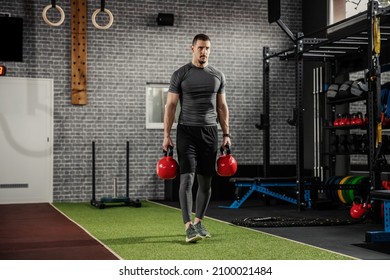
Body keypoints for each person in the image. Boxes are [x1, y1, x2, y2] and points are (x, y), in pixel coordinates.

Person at [162, 34, 231, 243]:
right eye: (200, 48)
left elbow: (221, 107)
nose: (204, 52)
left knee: (206, 182)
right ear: (191, 48)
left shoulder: (217, 75)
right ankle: (188, 226)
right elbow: (171, 106)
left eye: (208, 48)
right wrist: (166, 135)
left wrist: (226, 134)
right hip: (187, 132)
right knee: (187, 179)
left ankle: (199, 221)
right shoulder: (181, 74)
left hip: (210, 132)